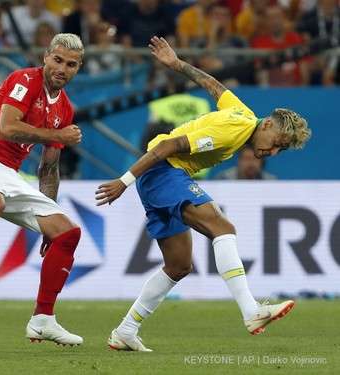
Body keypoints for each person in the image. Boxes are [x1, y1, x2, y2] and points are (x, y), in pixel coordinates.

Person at [95, 36, 311, 352]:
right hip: (163, 171)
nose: (273, 152)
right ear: (267, 125)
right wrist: (123, 181)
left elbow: (212, 86)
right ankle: (251, 311)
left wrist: (177, 63)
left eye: (280, 149)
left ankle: (126, 331)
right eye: (277, 143)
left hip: (164, 175)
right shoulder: (233, 130)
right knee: (223, 228)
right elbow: (168, 146)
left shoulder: (242, 113)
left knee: (179, 265)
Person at [0, 33, 85, 346]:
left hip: (11, 174)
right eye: (58, 60)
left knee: (67, 232)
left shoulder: (64, 109)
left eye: (71, 64)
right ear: (45, 57)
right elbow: (7, 128)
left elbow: (49, 169)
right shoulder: (24, 80)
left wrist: (45, 225)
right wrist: (56, 134)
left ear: (78, 68)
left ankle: (43, 319)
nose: (62, 69)